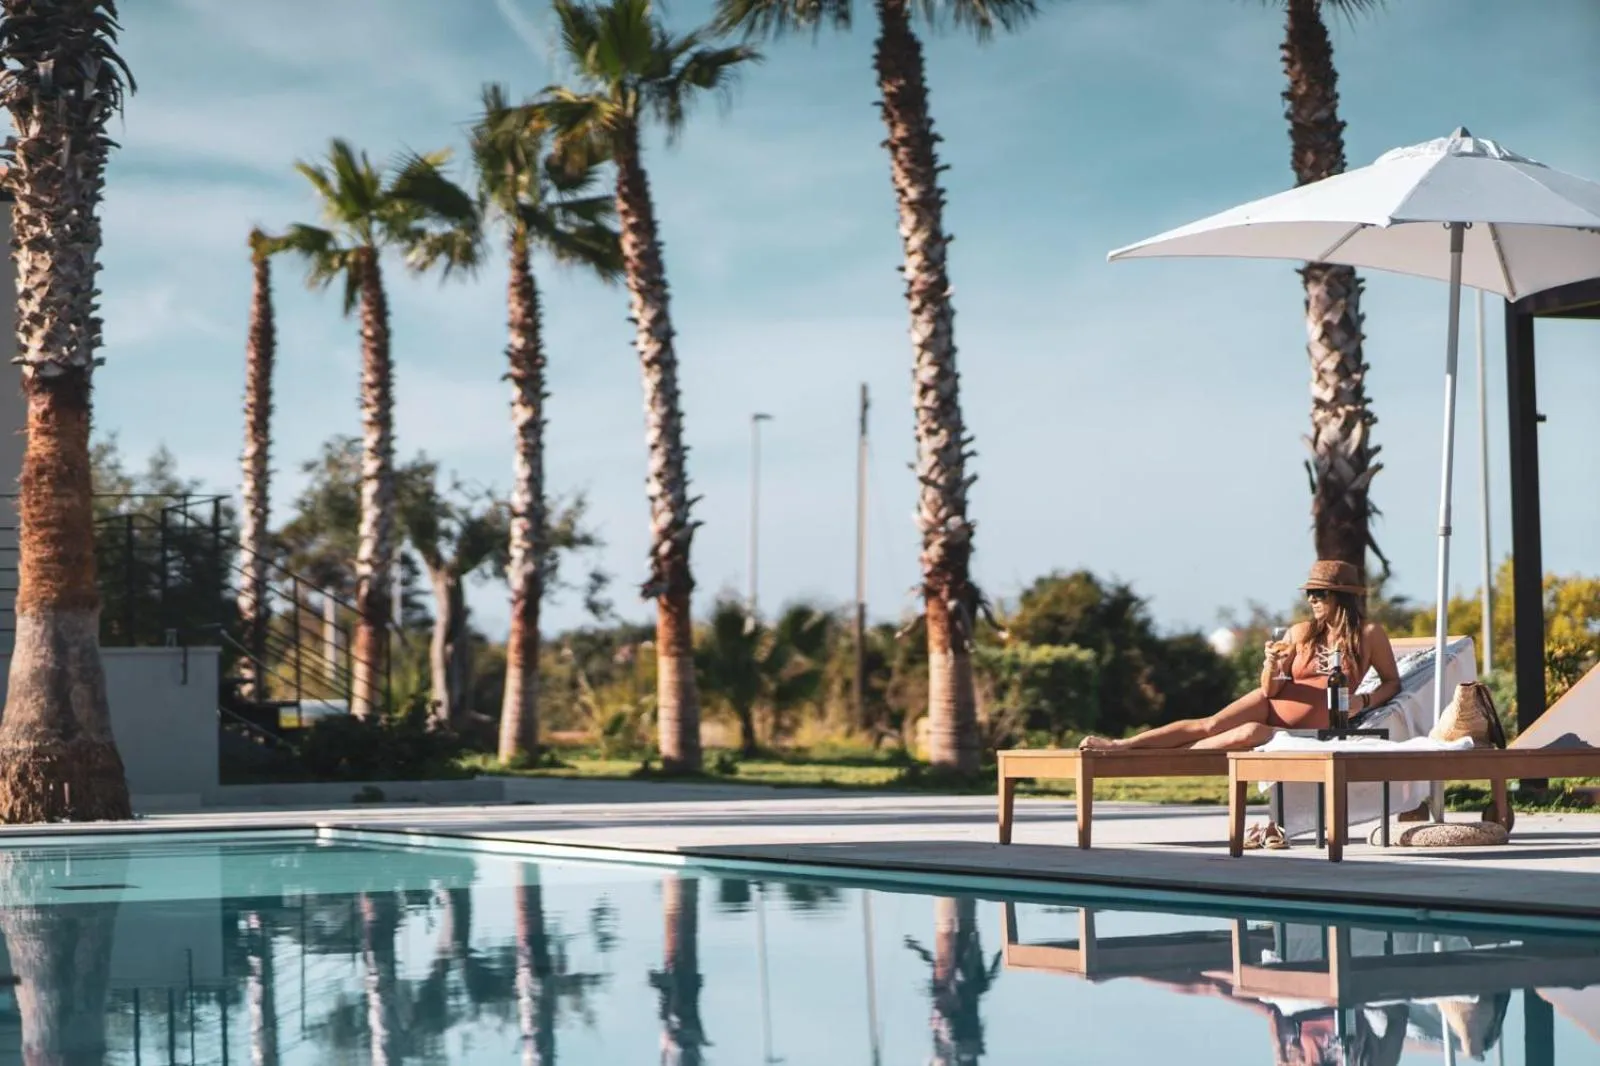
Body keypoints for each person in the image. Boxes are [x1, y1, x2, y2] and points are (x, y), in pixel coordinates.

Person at [1079, 560, 1402, 753]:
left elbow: (1391, 682)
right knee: (1211, 724)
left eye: (1321, 593)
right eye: (1310, 594)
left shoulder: (1369, 634)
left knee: (1250, 733)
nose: (1313, 599)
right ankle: (1123, 746)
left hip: (1311, 727)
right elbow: (1270, 690)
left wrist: (1365, 701)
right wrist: (1271, 665)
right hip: (1272, 702)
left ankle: (1169, 755)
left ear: (1342, 597)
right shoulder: (1301, 631)